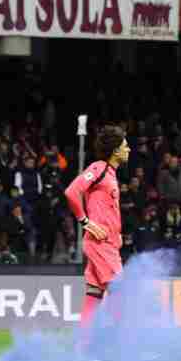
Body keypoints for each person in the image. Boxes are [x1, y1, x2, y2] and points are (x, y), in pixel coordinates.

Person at [64, 125, 130, 330]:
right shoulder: (99, 167)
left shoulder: (110, 173)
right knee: (122, 290)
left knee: (94, 293)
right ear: (116, 151)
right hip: (100, 243)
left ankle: (82, 350)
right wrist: (85, 221)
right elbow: (72, 191)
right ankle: (120, 344)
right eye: (126, 146)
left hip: (107, 243)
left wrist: (116, 234)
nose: (129, 149)